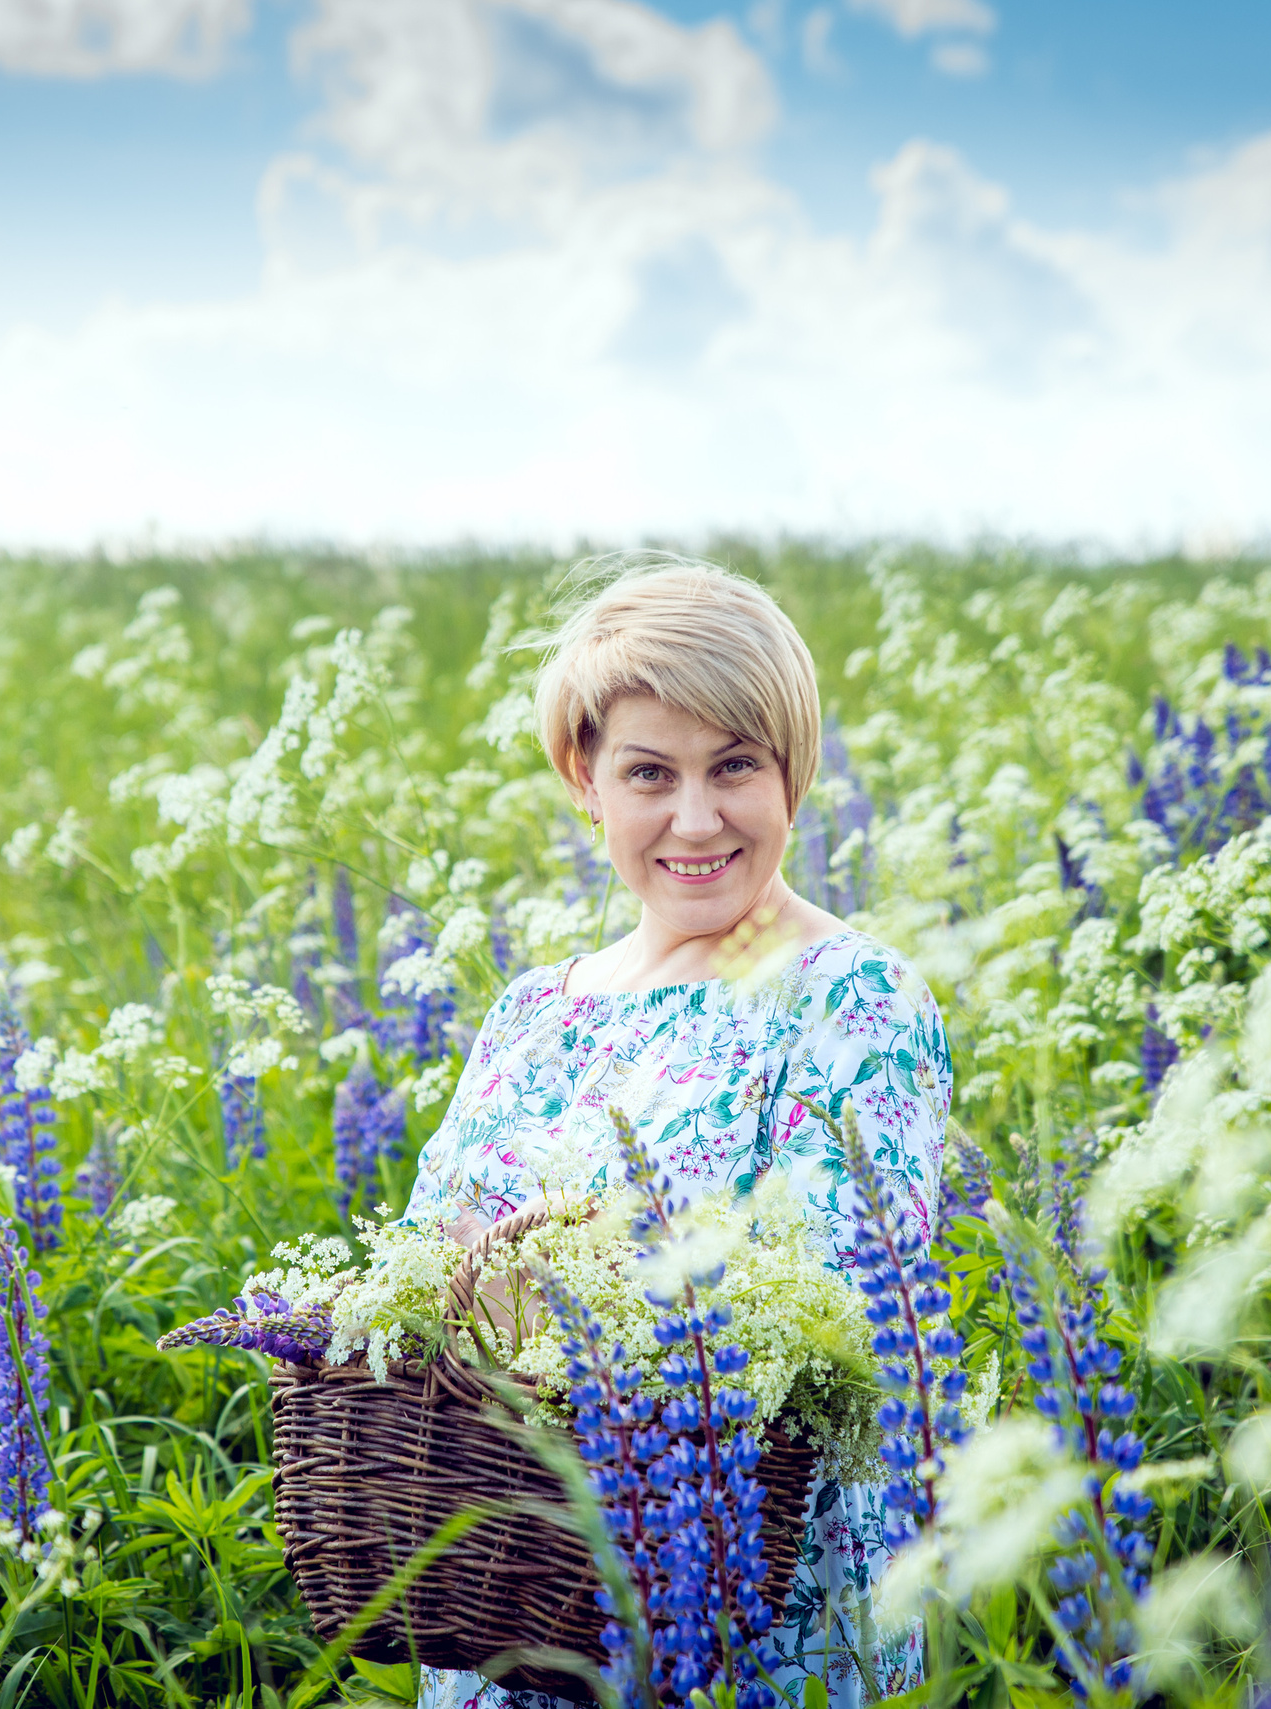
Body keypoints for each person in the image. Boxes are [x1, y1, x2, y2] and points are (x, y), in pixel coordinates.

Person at [403, 554, 956, 1709]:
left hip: (742, 1629)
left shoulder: (849, 995)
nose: (695, 818)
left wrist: (542, 1290)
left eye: (735, 766)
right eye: (649, 772)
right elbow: (422, 1274)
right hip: (511, 1609)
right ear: (582, 778)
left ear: (793, 771)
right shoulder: (534, 1008)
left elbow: (821, 1321)